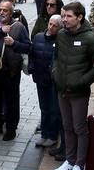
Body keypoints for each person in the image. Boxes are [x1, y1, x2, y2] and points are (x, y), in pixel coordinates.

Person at [51, 1, 94, 170]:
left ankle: (80, 165)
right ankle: (70, 161)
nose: (64, 19)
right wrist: (56, 74)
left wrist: (81, 81)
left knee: (80, 128)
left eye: (69, 16)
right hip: (62, 89)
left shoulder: (90, 38)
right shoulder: (62, 35)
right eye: (63, 16)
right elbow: (55, 58)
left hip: (78, 91)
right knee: (67, 126)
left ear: (79, 17)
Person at [19, 14, 63, 151]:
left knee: (53, 109)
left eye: (55, 25)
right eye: (50, 24)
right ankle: (44, 134)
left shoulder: (61, 40)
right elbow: (31, 53)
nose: (51, 27)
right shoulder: (38, 37)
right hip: (40, 78)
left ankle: (52, 135)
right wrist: (32, 68)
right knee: (44, 108)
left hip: (53, 80)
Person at [0, 0, 30, 141]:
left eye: (5, 10)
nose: (1, 13)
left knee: (11, 100)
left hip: (10, 70)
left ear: (11, 12)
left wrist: (14, 43)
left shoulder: (18, 27)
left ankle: (11, 128)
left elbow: (28, 47)